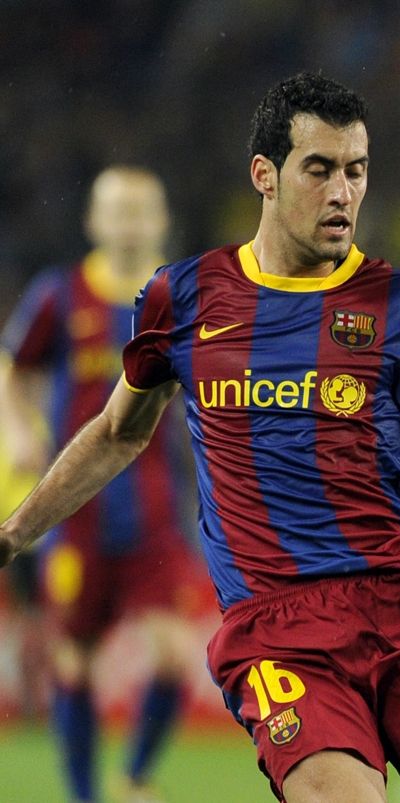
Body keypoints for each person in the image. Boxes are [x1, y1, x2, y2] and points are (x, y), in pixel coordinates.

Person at [0, 72, 400, 803]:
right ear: (264, 175)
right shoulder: (186, 297)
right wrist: (15, 532)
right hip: (282, 624)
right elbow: (115, 434)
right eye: (319, 169)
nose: (342, 192)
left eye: (356, 171)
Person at [0, 165, 205, 803]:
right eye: (115, 210)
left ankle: (136, 774)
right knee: (75, 662)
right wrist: (16, 428)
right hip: (77, 511)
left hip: (153, 508)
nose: (127, 223)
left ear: (160, 221)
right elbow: (14, 369)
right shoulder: (60, 296)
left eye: (139, 211)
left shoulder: (183, 297)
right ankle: (86, 796)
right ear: (93, 221)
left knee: (175, 656)